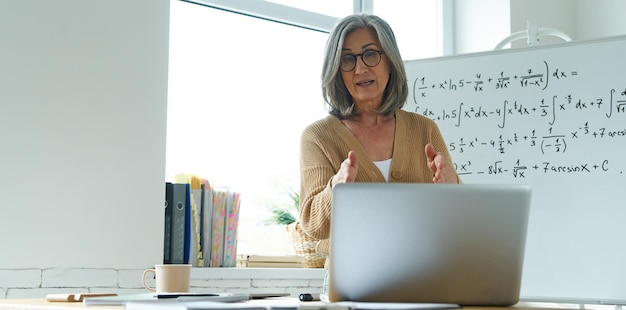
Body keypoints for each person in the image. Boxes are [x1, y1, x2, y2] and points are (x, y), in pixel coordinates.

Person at [298, 14, 461, 257]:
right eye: (347, 59)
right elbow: (313, 225)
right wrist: (336, 189)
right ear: (337, 70)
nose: (360, 68)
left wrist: (451, 188)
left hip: (425, 279)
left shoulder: (425, 129)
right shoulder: (317, 137)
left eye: (371, 54)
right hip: (352, 287)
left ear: (390, 61)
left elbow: (459, 216)